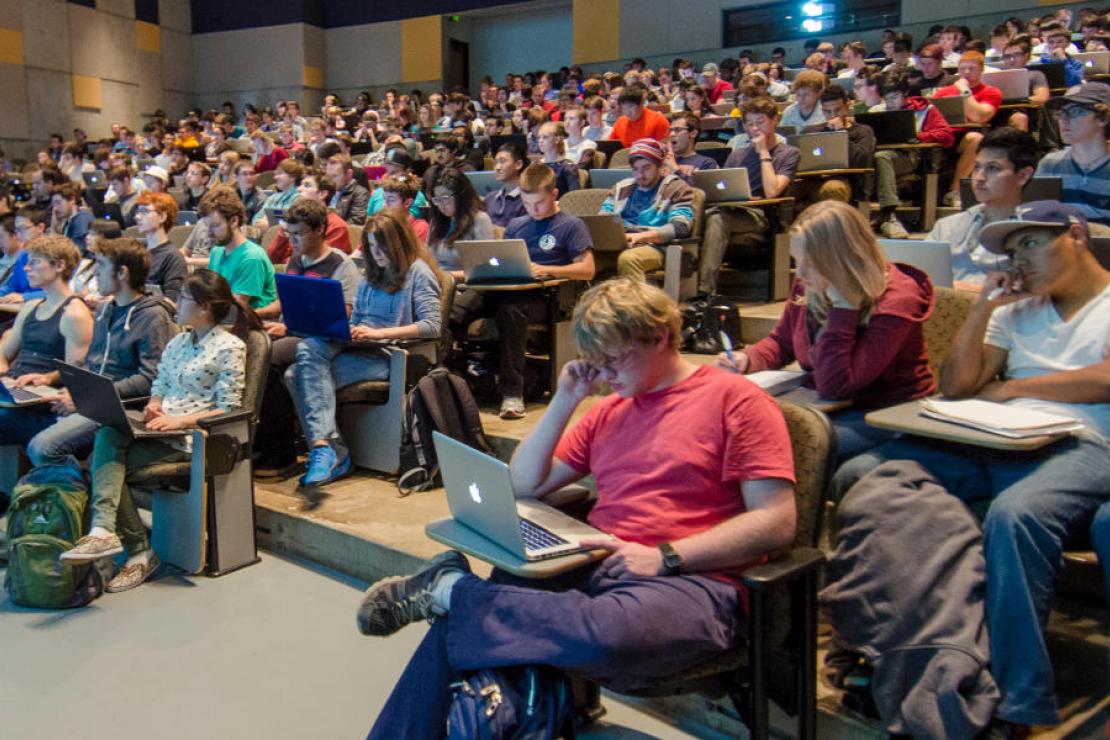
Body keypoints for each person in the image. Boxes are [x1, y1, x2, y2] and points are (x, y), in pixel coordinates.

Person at [359, 278, 798, 739]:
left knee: (600, 632)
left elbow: (776, 520)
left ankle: (450, 590)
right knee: (473, 618)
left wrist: (668, 554)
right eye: (597, 362)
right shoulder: (610, 411)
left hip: (694, 579)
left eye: (615, 358)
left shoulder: (737, 401)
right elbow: (525, 483)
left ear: (661, 335)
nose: (605, 374)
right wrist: (565, 400)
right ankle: (452, 599)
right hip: (599, 561)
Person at [831, 201, 1110, 734]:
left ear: (1075, 234)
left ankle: (1021, 699)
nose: (1018, 259)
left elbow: (1104, 380)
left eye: (1030, 243)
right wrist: (984, 305)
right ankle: (883, 652)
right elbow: (959, 386)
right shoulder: (1015, 309)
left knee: (1015, 515)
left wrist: (1010, 387)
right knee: (861, 473)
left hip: (1084, 445)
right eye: (1010, 250)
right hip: (992, 437)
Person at [59, 270, 255, 592]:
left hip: (193, 440)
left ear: (204, 307)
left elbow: (229, 408)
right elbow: (161, 382)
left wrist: (181, 422)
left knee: (105, 462)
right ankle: (106, 533)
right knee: (108, 435)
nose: (174, 302)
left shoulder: (229, 347)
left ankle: (134, 547)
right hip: (160, 429)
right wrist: (155, 403)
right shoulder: (178, 340)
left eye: (183, 298)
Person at [719, 200, 934, 461]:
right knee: (728, 428)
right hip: (823, 402)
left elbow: (837, 386)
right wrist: (748, 358)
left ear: (843, 259)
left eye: (810, 263)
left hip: (882, 412)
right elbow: (782, 341)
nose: (800, 273)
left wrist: (844, 308)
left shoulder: (898, 299)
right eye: (796, 261)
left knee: (783, 447)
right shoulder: (811, 283)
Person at [286, 210, 442, 486]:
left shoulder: (418, 272)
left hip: (389, 355)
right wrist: (351, 329)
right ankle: (328, 448)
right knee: (309, 347)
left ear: (398, 243)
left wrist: (378, 333)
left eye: (381, 245)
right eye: (370, 245)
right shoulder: (371, 275)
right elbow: (358, 318)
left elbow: (432, 326)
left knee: (293, 375)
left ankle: (330, 452)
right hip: (359, 345)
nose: (376, 252)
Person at [452, 163, 595, 419]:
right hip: (506, 286)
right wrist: (476, 270)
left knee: (511, 311)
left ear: (554, 194)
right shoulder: (518, 224)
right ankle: (452, 381)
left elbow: (587, 269)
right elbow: (501, 260)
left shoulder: (571, 225)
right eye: (528, 204)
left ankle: (512, 394)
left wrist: (549, 270)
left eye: (539, 203)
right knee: (455, 310)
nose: (533, 210)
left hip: (545, 296)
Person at [26, 237, 177, 467]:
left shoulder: (153, 317)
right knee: (29, 424)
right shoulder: (105, 309)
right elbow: (92, 363)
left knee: (42, 448)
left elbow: (150, 379)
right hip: (94, 402)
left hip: (122, 410)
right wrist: (64, 386)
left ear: (122, 273)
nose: (95, 273)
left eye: (102, 265)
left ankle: (76, 493)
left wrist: (89, 398)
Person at [255, 198, 360, 475]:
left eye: (299, 234)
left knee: (268, 360)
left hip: (322, 340)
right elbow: (283, 304)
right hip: (292, 332)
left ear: (319, 230)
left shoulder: (341, 265)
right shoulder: (296, 259)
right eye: (289, 234)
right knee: (249, 349)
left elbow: (339, 316)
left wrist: (287, 329)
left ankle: (282, 454)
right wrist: (256, 314)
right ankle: (259, 443)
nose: (293, 241)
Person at [0, 235, 94, 475]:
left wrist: (46, 378)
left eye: (35, 262)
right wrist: (3, 376)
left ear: (59, 266)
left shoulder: (75, 314)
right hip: (16, 392)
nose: (27, 268)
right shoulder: (31, 308)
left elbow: (75, 372)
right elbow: (5, 353)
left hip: (43, 406)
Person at [699, 97, 801, 296]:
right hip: (731, 209)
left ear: (775, 121)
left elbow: (773, 191)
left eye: (760, 122)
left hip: (761, 217)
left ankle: (704, 291)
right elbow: (723, 188)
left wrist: (763, 151)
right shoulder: (737, 155)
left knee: (718, 220)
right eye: (749, 124)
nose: (754, 129)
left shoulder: (788, 153)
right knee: (703, 216)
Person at [927, 127, 1037, 288]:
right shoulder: (946, 227)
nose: (979, 177)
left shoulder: (1036, 235)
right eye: (977, 167)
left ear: (1023, 176)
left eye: (993, 168)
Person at [873, 67, 955, 238]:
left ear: (905, 93)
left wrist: (916, 136)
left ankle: (889, 215)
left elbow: (947, 136)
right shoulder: (876, 112)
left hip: (911, 157)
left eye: (895, 97)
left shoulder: (924, 109)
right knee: (877, 157)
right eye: (886, 98)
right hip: (881, 156)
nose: (890, 103)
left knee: (881, 158)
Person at [599, 138, 695, 282]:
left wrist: (642, 236)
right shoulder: (621, 188)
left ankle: (634, 304)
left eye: (646, 168)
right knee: (581, 256)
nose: (640, 175)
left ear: (659, 166)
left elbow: (681, 227)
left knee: (629, 259)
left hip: (657, 246)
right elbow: (602, 219)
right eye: (635, 169)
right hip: (620, 242)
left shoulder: (676, 188)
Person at [933, 52, 1002, 209]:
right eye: (963, 69)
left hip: (968, 137)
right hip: (943, 135)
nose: (967, 73)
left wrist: (964, 91)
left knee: (975, 138)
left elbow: (978, 116)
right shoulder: (945, 92)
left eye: (972, 69)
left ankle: (954, 191)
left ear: (982, 69)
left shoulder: (991, 92)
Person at [1035, 83, 1110, 228]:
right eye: (1060, 114)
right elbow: (1036, 221)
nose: (1064, 120)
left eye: (1075, 111)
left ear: (1103, 118)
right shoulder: (1050, 164)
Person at [201, 185, 277, 310]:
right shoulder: (217, 251)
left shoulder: (251, 257)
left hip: (248, 323)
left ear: (234, 221)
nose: (208, 233)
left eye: (215, 225)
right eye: (206, 226)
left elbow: (235, 308)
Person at [797, 86, 876, 205]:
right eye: (827, 111)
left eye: (838, 110)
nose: (833, 115)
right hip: (811, 179)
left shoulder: (863, 131)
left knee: (832, 189)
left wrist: (841, 132)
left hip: (845, 179)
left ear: (847, 106)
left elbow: (861, 160)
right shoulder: (810, 132)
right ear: (822, 110)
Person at [266, 173, 352, 265]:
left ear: (322, 194)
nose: (299, 189)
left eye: (307, 185)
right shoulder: (294, 220)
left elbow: (319, 262)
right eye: (300, 185)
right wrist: (283, 232)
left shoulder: (337, 227)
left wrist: (285, 262)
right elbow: (271, 259)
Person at [426, 168, 494, 281]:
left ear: (461, 195)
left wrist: (446, 276)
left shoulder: (480, 219)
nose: (441, 205)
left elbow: (484, 268)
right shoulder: (437, 221)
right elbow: (428, 257)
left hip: (464, 286)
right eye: (437, 199)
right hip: (436, 281)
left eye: (445, 198)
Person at [133, 191, 189, 303]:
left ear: (162, 217)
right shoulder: (137, 251)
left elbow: (173, 301)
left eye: (145, 211)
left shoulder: (173, 257)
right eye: (138, 211)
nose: (137, 217)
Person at [0, 206, 49, 306]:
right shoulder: (23, 256)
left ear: (40, 228)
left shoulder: (53, 254)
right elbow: (12, 287)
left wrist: (24, 297)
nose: (18, 235)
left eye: (23, 229)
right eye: (17, 230)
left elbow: (58, 292)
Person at [999, 36, 1050, 132]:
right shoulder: (996, 76)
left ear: (1026, 56)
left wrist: (1017, 102)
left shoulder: (1035, 75)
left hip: (1026, 112)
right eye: (1007, 56)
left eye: (1016, 55)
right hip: (998, 113)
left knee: (1019, 118)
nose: (1011, 60)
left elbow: (1042, 97)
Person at [366, 147, 428, 218]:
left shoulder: (415, 196)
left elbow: (405, 222)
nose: (389, 177)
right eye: (387, 171)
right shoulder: (377, 193)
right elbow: (369, 221)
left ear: (406, 172)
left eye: (394, 173)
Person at [252, 159, 306, 229]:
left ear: (293, 176)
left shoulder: (301, 198)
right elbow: (255, 219)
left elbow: (290, 224)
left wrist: (268, 222)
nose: (275, 177)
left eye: (280, 173)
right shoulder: (273, 197)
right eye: (276, 174)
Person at [663, 112, 720, 178]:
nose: (671, 134)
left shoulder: (706, 163)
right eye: (670, 130)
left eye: (678, 130)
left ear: (693, 133)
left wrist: (675, 169)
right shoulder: (663, 162)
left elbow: (698, 188)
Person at [484, 143, 527, 228]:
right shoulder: (490, 198)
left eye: (502, 161)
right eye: (496, 163)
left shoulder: (528, 199)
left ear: (518, 164)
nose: (497, 167)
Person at [536, 121, 581, 195]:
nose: (540, 141)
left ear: (557, 139)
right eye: (539, 137)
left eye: (545, 137)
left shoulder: (568, 167)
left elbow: (575, 198)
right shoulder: (535, 165)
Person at [326, 153, 370, 225]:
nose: (330, 181)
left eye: (335, 176)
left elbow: (356, 222)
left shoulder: (360, 193)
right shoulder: (326, 191)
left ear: (349, 174)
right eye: (328, 176)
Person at [50, 181, 94, 253]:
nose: (55, 208)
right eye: (54, 204)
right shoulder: (69, 220)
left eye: (58, 202)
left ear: (72, 200)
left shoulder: (81, 219)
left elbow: (76, 251)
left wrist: (54, 231)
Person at [233, 160, 265, 224]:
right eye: (244, 174)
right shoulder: (230, 196)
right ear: (236, 177)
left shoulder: (261, 200)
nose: (249, 177)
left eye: (252, 173)